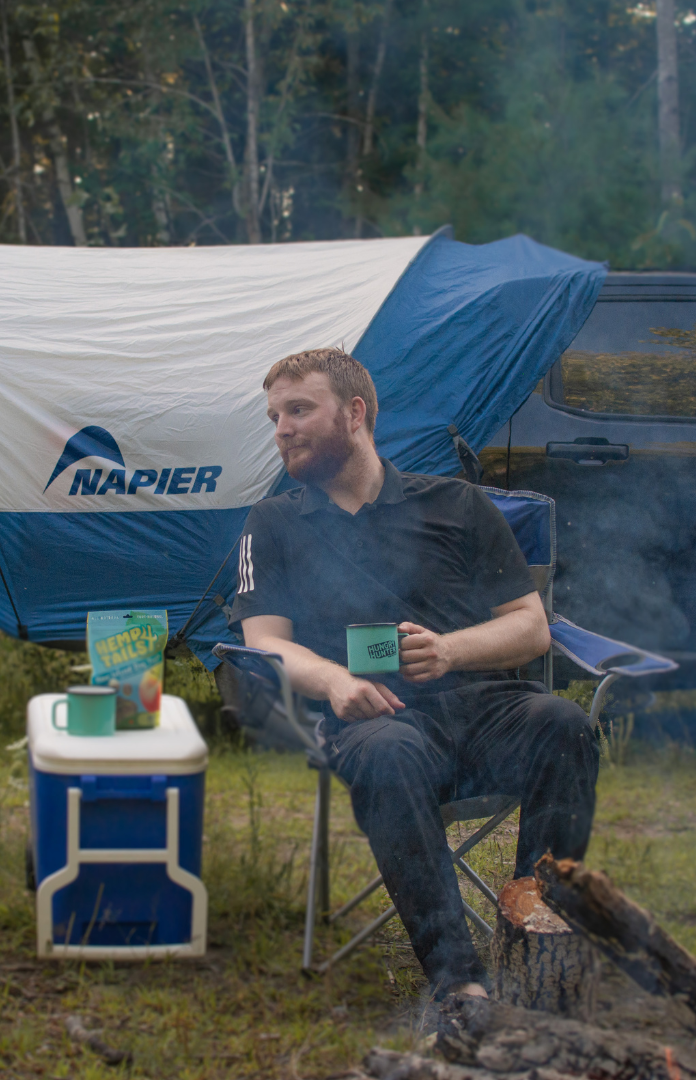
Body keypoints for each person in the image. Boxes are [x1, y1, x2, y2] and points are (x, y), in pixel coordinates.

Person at [230, 347, 598, 997]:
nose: (281, 428)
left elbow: (530, 627)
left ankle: (536, 954)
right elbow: (265, 644)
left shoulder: (457, 505)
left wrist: (452, 649)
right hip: (378, 720)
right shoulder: (275, 522)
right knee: (389, 752)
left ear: (354, 413)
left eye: (298, 409)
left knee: (563, 722)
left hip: (487, 710)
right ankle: (461, 988)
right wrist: (337, 682)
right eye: (274, 416)